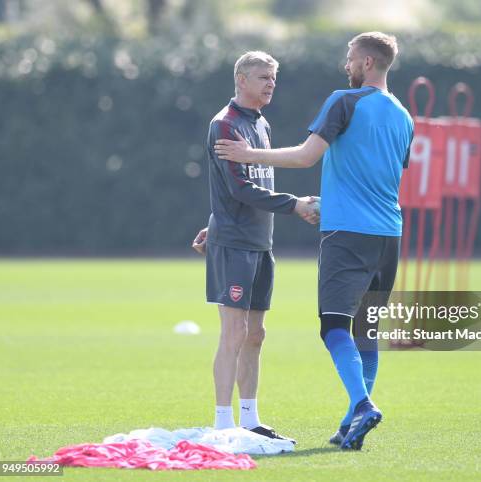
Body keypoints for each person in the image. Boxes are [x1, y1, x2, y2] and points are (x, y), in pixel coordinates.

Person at [214, 32, 414, 450]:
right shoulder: (404, 115)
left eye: (350, 58)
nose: (347, 66)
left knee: (335, 327)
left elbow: (307, 156)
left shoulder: (344, 100)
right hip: (391, 235)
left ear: (367, 62)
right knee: (367, 331)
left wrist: (249, 156)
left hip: (348, 234)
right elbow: (382, 173)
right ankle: (349, 425)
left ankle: (361, 405)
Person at [192, 51, 319, 443]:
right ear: (240, 79)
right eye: (263, 77)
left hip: (260, 243)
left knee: (256, 333)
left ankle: (249, 419)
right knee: (234, 332)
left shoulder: (260, 123)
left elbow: (234, 186)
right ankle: (223, 423)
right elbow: (239, 189)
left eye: (273, 78)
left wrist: (213, 221)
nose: (270, 84)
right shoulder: (225, 124)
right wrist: (295, 205)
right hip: (235, 246)